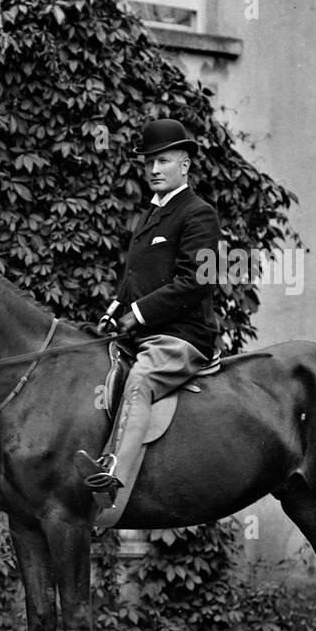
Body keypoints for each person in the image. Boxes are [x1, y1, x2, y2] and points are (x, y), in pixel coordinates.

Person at [74, 118, 220, 522]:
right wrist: (111, 311)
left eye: (164, 161)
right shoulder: (150, 216)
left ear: (185, 164)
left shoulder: (198, 214)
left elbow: (195, 283)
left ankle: (111, 477)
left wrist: (136, 315)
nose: (154, 170)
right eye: (149, 162)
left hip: (182, 337)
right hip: (142, 333)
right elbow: (132, 280)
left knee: (139, 381)